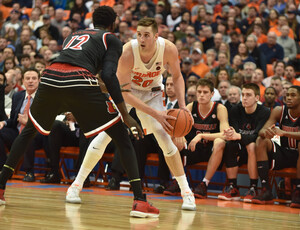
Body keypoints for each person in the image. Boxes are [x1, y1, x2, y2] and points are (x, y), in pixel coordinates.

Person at [0, 6, 159, 218]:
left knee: (29, 130)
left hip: (49, 76)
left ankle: (1, 187)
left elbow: (78, 64)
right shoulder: (111, 39)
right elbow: (109, 76)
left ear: (93, 22)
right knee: (122, 136)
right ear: (113, 24)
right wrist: (126, 115)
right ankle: (140, 201)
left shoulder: (74, 35)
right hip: (78, 80)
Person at [66, 17, 196, 211]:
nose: (142, 39)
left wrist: (184, 106)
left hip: (152, 93)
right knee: (106, 135)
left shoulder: (168, 49)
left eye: (146, 35)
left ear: (155, 36)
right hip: (128, 94)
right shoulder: (127, 52)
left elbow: (177, 77)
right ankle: (76, 186)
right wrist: (156, 114)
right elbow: (124, 94)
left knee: (163, 137)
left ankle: (187, 193)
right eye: (139, 34)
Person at [218, 83, 271, 202]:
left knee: (252, 145)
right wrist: (237, 136)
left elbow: (257, 136)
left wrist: (239, 136)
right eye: (243, 95)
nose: (244, 98)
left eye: (248, 95)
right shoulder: (235, 109)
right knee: (230, 144)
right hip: (239, 148)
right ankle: (233, 187)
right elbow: (234, 134)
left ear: (257, 98)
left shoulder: (265, 112)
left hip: (258, 152)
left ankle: (253, 187)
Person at [253, 86, 300, 208]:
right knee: (260, 141)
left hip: (298, 154)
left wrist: (284, 133)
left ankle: (298, 190)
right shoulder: (279, 110)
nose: (289, 98)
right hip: (284, 153)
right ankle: (265, 189)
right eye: (287, 95)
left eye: (293, 95)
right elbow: (262, 130)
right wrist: (267, 132)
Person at [185, 79, 229, 199]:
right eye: (199, 92)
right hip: (196, 148)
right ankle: (177, 181)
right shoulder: (191, 107)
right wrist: (179, 137)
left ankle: (204, 184)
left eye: (205, 92)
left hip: (212, 150)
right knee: (175, 140)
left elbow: (225, 134)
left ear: (212, 94)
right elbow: (179, 128)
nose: (201, 95)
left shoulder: (220, 108)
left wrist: (201, 135)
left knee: (220, 142)